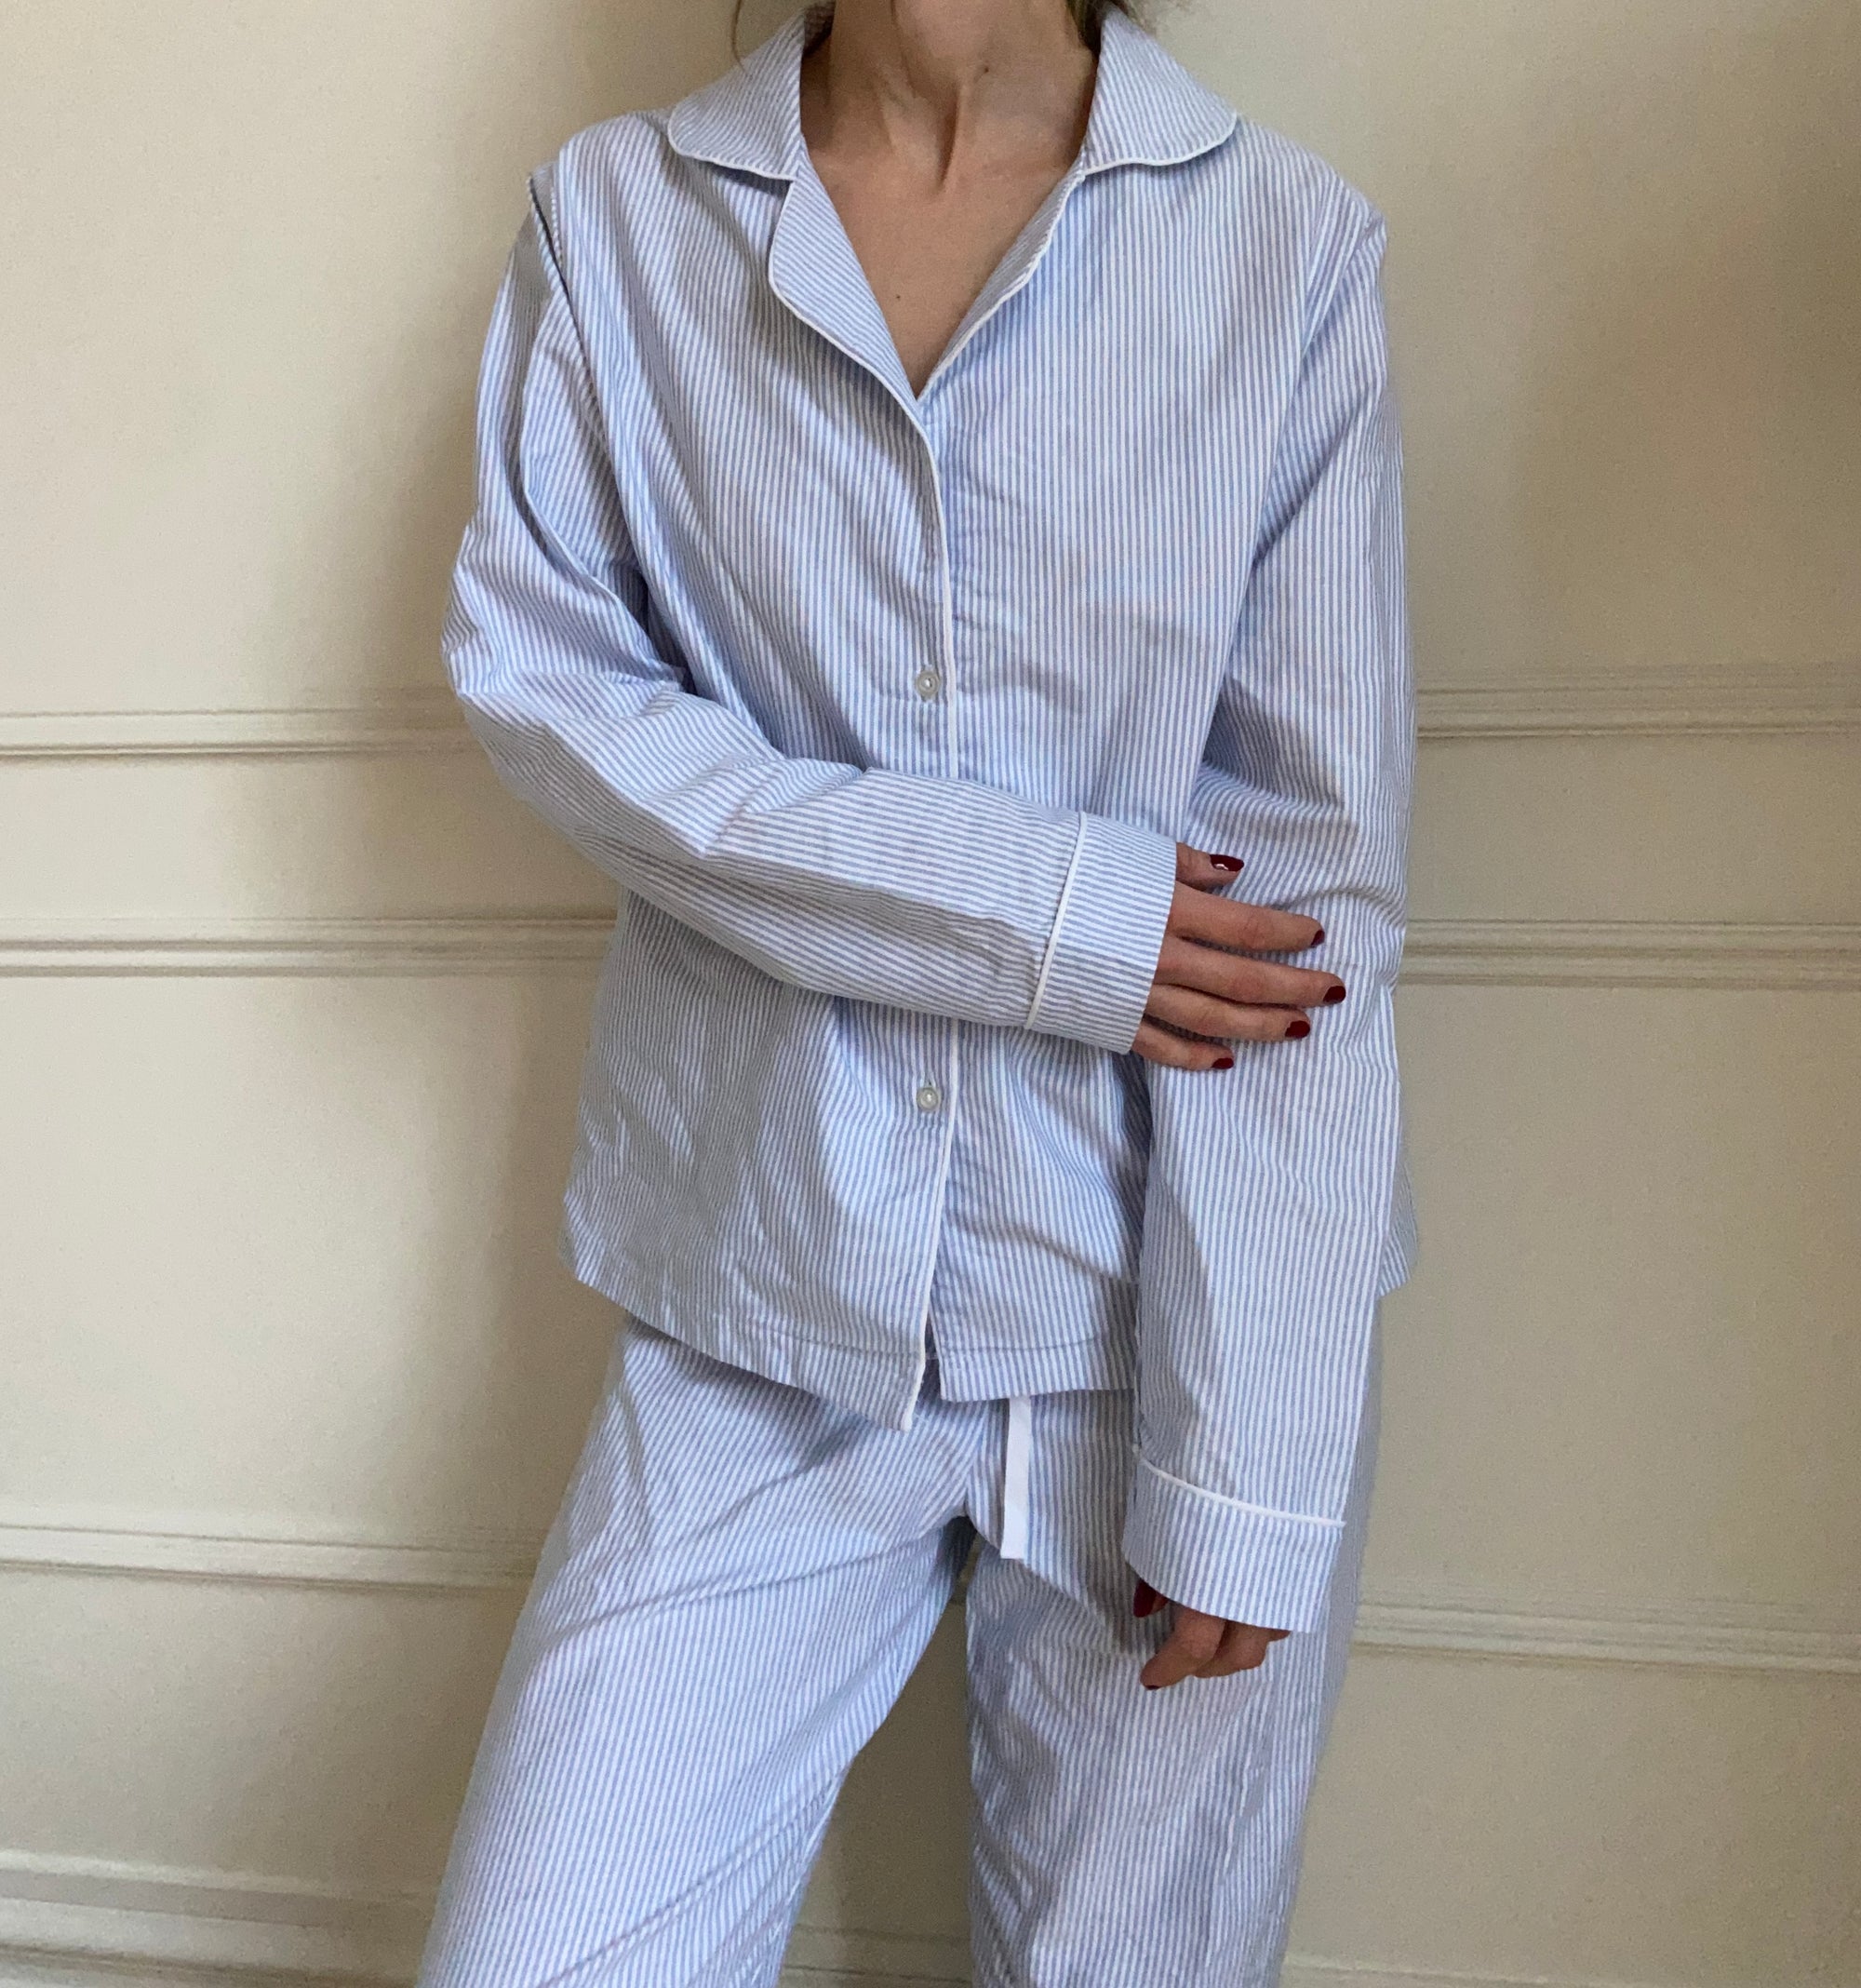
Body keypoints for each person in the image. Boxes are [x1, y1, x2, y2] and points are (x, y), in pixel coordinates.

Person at [415, 0, 1418, 1980]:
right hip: (759, 1300)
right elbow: (545, 686)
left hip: (1158, 1320)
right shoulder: (617, 224)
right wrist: (1046, 912)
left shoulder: (1278, 246)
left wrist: (1252, 1452)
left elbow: (1305, 904)